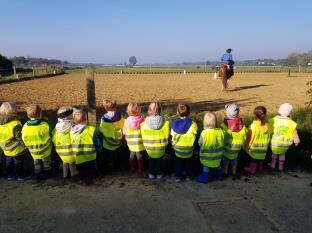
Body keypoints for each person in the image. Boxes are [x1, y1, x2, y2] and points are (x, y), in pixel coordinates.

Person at [70, 108, 103, 185]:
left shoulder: (72, 131)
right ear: (86, 120)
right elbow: (96, 141)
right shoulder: (90, 129)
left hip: (78, 156)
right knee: (91, 168)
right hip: (90, 155)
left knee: (82, 169)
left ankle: (83, 178)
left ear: (75, 121)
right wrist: (100, 148)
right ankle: (90, 178)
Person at [22, 104, 53, 181]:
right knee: (46, 161)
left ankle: (37, 175)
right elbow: (51, 131)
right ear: (40, 114)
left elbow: (23, 137)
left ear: (28, 115)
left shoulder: (25, 126)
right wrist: (48, 121)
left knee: (36, 162)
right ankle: (47, 173)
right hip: (45, 149)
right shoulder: (44, 125)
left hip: (33, 150)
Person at [141, 102, 170, 180]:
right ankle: (159, 174)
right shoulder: (165, 122)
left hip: (149, 146)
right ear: (160, 110)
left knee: (151, 160)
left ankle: (151, 174)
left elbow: (142, 134)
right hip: (160, 146)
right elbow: (167, 133)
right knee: (159, 160)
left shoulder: (144, 123)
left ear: (149, 110)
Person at [269, 103, 300, 171]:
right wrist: (296, 141)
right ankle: (281, 167)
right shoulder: (291, 123)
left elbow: (269, 129)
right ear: (289, 113)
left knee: (274, 153)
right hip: (285, 143)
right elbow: (294, 132)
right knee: (282, 154)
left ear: (280, 111)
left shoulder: (274, 120)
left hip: (275, 142)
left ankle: (273, 165)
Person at [170, 103, 197, 182]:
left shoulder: (174, 124)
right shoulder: (193, 124)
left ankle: (178, 176)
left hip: (178, 148)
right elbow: (195, 133)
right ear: (189, 113)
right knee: (189, 163)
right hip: (189, 148)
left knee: (179, 163)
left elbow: (172, 136)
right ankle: (189, 175)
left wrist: (173, 145)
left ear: (177, 112)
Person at [0, 102, 27, 180]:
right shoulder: (15, 124)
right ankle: (20, 175)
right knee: (18, 161)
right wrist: (24, 146)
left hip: (5, 147)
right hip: (16, 148)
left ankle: (10, 175)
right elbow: (19, 137)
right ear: (13, 112)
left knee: (9, 161)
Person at [196, 112, 224, 183]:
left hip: (206, 157)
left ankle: (205, 178)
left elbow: (199, 143)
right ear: (215, 122)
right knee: (218, 165)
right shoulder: (220, 131)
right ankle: (220, 175)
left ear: (204, 122)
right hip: (217, 156)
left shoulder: (204, 133)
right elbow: (223, 141)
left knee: (206, 167)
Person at [52, 106, 78, 181]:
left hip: (60, 151)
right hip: (70, 151)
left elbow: (53, 137)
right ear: (70, 116)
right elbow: (75, 138)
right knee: (71, 163)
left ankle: (65, 175)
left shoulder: (57, 127)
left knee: (64, 162)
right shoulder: (72, 127)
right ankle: (73, 174)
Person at [220, 103, 247, 176]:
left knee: (226, 159)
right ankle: (234, 171)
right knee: (234, 159)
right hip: (237, 148)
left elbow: (222, 137)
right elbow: (244, 136)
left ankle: (225, 171)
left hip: (227, 148)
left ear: (227, 113)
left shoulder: (224, 125)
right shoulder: (242, 125)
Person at [99, 99, 125, 171]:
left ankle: (107, 169)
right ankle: (117, 167)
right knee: (117, 155)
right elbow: (123, 126)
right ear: (116, 107)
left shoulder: (103, 118)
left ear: (105, 108)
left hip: (107, 142)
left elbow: (101, 129)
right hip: (117, 141)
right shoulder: (120, 116)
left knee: (107, 157)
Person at [244, 106, 271, 174]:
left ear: (254, 115)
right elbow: (268, 137)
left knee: (253, 160)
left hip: (254, 148)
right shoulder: (267, 126)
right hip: (263, 148)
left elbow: (250, 138)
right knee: (260, 159)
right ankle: (260, 169)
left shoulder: (253, 126)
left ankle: (252, 170)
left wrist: (247, 146)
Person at [123, 102, 145, 175]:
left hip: (131, 142)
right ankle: (140, 169)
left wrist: (125, 138)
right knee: (139, 156)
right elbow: (145, 129)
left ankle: (132, 167)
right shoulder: (141, 120)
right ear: (139, 110)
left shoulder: (127, 121)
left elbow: (124, 131)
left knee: (132, 155)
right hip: (139, 141)